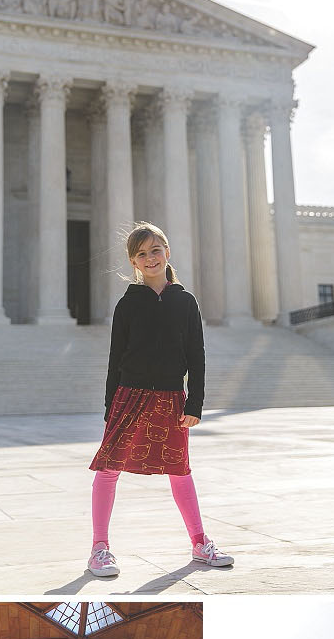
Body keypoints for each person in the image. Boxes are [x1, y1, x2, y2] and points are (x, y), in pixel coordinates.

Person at [88, 220, 233, 577]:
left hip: (171, 397)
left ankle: (200, 543)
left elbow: (196, 355)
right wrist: (110, 407)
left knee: (180, 471)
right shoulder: (127, 304)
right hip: (129, 395)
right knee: (108, 470)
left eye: (156, 250)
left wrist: (194, 403)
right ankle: (99, 548)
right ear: (134, 263)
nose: (150, 257)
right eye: (141, 253)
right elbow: (114, 358)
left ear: (167, 253)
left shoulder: (185, 301)